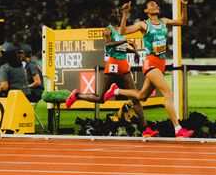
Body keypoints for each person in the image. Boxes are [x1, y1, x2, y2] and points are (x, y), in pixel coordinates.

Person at [103, 0, 194, 138]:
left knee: (141, 96)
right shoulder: (143, 25)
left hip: (161, 63)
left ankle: (116, 91)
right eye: (152, 5)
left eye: (157, 4)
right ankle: (178, 129)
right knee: (168, 94)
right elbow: (122, 31)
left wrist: (184, 6)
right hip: (150, 63)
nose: (156, 5)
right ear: (146, 11)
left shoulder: (164, 21)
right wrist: (125, 14)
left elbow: (183, 22)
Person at [65, 7, 158, 137]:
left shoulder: (120, 31)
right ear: (109, 17)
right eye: (115, 13)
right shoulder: (107, 30)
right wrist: (125, 40)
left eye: (119, 14)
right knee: (100, 98)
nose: (118, 15)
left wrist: (134, 52)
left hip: (124, 67)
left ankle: (145, 129)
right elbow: (108, 44)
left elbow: (120, 48)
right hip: (113, 66)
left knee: (136, 98)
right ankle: (77, 96)